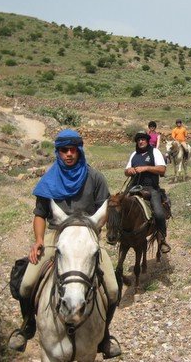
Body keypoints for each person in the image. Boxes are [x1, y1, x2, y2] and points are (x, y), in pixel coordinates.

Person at [8, 129, 121, 359]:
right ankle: (28, 324)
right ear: (57, 152)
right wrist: (39, 241)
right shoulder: (48, 179)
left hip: (87, 235)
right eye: (63, 150)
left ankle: (105, 335)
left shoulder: (95, 178)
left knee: (112, 288)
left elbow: (104, 210)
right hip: (55, 236)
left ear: (79, 151)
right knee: (26, 284)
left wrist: (92, 227)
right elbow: (40, 214)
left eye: (72, 150)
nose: (68, 154)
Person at [124, 131, 171, 253]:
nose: (140, 141)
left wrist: (146, 168)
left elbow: (162, 169)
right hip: (134, 186)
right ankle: (118, 234)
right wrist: (129, 171)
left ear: (147, 140)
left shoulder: (154, 152)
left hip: (150, 187)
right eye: (138, 140)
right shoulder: (134, 154)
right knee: (117, 205)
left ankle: (161, 240)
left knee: (159, 213)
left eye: (143, 139)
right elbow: (126, 171)